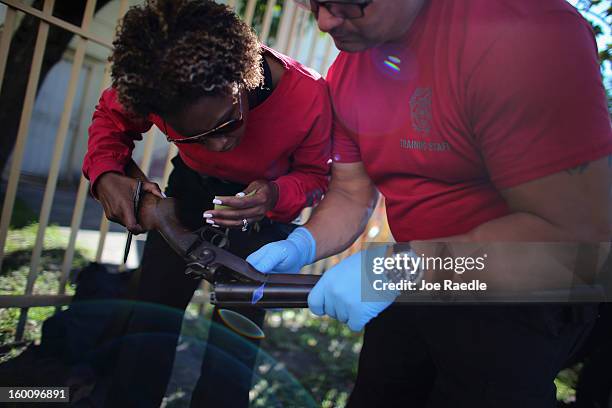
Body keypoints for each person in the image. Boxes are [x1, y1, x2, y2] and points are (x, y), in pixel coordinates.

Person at [247, 0, 612, 406]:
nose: (326, 21)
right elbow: (352, 192)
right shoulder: (348, 70)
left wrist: (405, 267)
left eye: (349, 3)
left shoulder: (523, 35)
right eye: (316, 3)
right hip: (415, 278)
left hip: (516, 292)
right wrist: (302, 245)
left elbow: (575, 238)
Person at [82, 0, 331, 406]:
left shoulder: (309, 95)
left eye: (228, 121)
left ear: (243, 80)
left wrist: (275, 195)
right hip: (189, 195)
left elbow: (317, 177)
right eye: (194, 136)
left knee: (234, 345)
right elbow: (111, 120)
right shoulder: (157, 83)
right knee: (150, 319)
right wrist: (105, 172)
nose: (221, 144)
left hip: (263, 219)